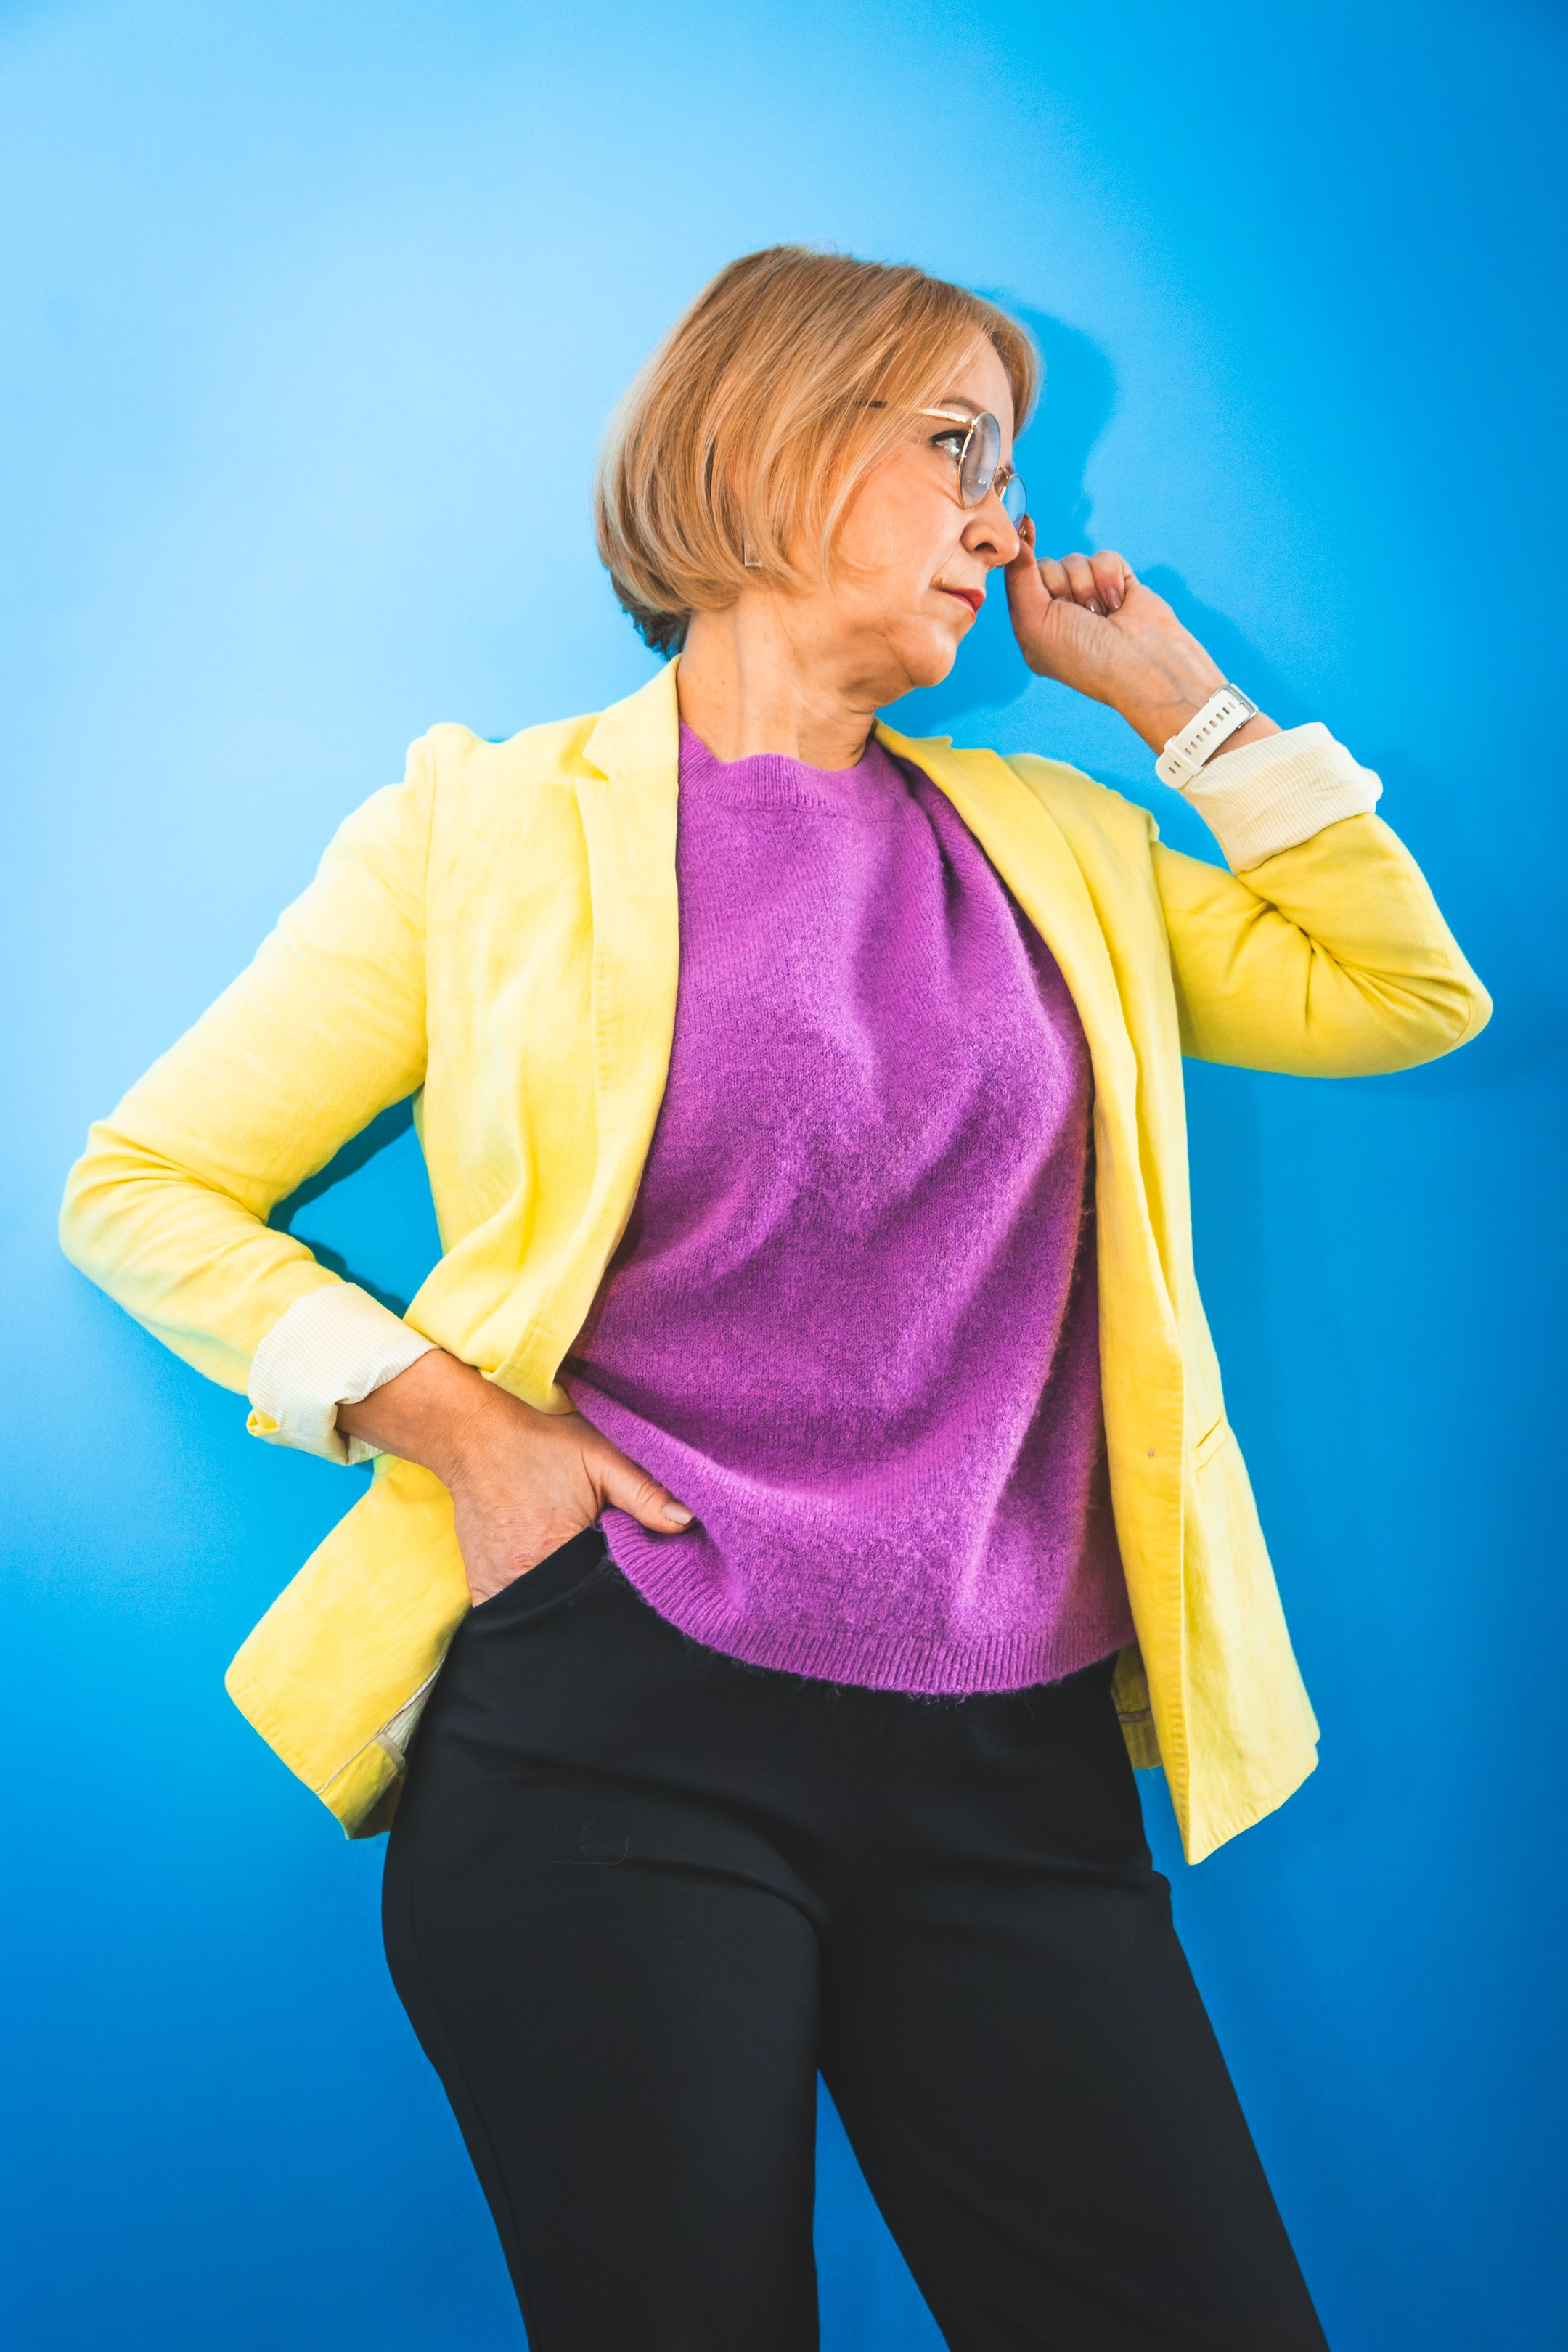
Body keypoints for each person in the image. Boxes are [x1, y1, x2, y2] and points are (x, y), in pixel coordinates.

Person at [60, 245, 1489, 2350]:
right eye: (955, 450)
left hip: (1011, 1763)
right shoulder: (479, 827)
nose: (1004, 518)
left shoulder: (1060, 842)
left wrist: (1188, 709)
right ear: (761, 445)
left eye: (1009, 462)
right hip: (612, 1737)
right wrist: (455, 1425)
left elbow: (1404, 997)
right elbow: (142, 1185)